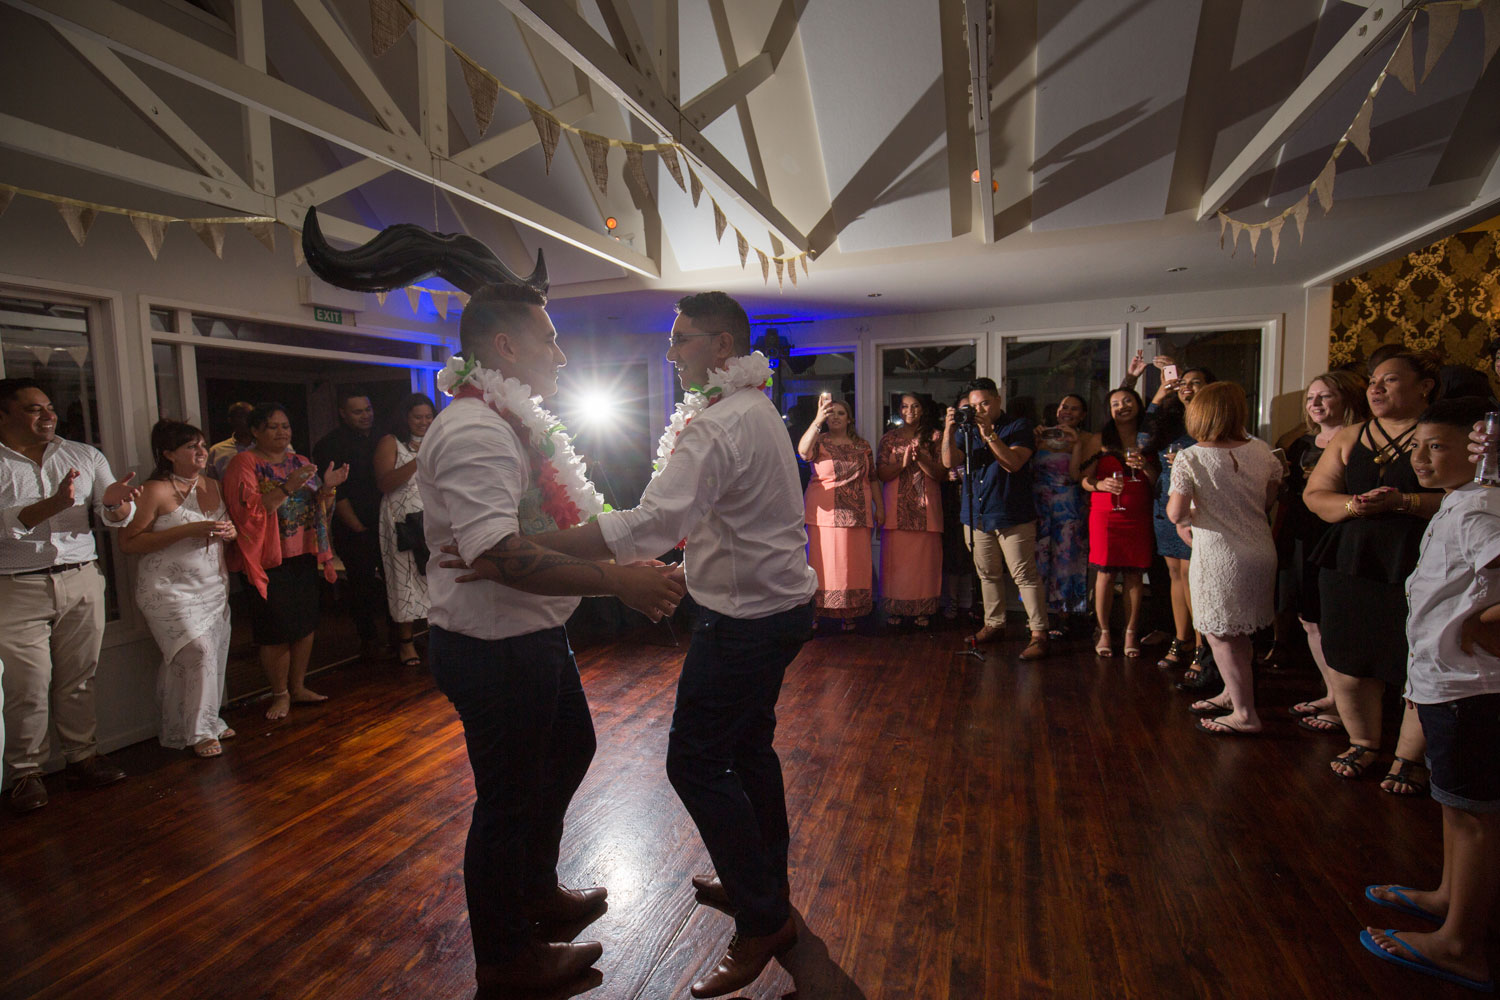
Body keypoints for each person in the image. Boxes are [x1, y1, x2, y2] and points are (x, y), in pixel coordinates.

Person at [301, 207, 687, 993]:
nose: (562, 352)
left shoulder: (515, 425)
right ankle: (506, 961)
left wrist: (621, 549)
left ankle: (535, 893)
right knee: (505, 804)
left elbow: (541, 534)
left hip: (533, 637)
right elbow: (503, 556)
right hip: (491, 648)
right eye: (550, 338)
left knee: (569, 751)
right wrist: (620, 580)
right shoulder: (476, 430)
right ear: (505, 347)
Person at [470, 291, 818, 998]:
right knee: (748, 747)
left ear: (723, 348)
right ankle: (762, 878)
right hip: (780, 608)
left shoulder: (718, 424)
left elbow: (651, 525)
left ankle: (763, 918)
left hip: (745, 618)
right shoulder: (754, 407)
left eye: (683, 339)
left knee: (695, 761)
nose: (670, 352)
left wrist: (536, 545)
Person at [1361, 396, 1500, 993]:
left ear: (1479, 448)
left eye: (1435, 446)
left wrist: (1481, 627)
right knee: (1455, 803)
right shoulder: (1461, 501)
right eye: (1415, 444)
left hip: (1470, 687)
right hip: (1449, 683)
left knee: (1472, 817)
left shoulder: (1480, 510)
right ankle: (1449, 896)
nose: (1417, 457)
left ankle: (1461, 944)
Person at [1303, 353, 1442, 790]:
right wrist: (1352, 504)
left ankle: (1408, 755)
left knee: (1417, 658)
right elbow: (1315, 494)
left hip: (1417, 559)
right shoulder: (1350, 436)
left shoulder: (1443, 434)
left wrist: (1403, 503)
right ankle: (1363, 739)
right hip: (1350, 559)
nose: (1376, 389)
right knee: (1347, 655)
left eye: (1390, 380)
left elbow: (1464, 497)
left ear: (1425, 387)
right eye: (1373, 382)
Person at [0, 378, 139, 813]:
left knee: (80, 675)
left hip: (80, 577)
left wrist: (117, 504)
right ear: (3, 415)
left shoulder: (82, 454)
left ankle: (82, 758)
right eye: (33, 409)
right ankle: (26, 774)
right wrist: (56, 503)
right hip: (15, 585)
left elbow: (113, 513)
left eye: (49, 407)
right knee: (28, 684)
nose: (48, 415)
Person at [1166, 383, 1283, 734]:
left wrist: (1191, 517)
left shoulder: (1191, 457)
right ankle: (1231, 694)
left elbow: (1175, 512)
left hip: (1221, 555)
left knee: (1219, 633)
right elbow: (1267, 500)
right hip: (1260, 550)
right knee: (1239, 634)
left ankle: (1246, 714)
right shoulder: (1263, 451)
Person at [223, 403, 348, 721]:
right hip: (267, 559)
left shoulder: (301, 461)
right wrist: (287, 486)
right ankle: (279, 694)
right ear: (254, 431)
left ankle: (298, 687)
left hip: (303, 552)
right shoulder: (244, 463)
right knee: (276, 630)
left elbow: (319, 507)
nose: (281, 432)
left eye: (286, 426)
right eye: (273, 426)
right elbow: (246, 513)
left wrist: (329, 487)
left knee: (305, 624)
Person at [119, 420, 237, 757]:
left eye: (202, 445)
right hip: (167, 589)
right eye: (191, 446)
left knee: (212, 654)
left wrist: (229, 534)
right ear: (168, 454)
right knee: (195, 651)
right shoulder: (154, 490)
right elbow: (128, 542)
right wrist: (188, 530)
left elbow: (228, 532)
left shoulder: (212, 484)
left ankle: (201, 722)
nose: (201, 451)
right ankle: (198, 732)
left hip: (212, 584)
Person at [1274, 371, 1369, 734]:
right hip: (1301, 534)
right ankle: (1332, 693)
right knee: (1308, 619)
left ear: (1346, 399)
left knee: (1337, 622)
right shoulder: (1300, 444)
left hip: (1339, 533)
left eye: (1324, 397)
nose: (1315, 404)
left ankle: (1350, 707)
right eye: (1311, 397)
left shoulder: (1362, 439)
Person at [941, 378, 1050, 659]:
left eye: (985, 403)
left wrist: (989, 434)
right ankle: (994, 624)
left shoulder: (1019, 426)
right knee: (986, 574)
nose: (980, 410)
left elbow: (1013, 463)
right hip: (976, 515)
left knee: (1024, 575)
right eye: (974, 405)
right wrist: (948, 429)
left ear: (998, 400)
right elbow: (948, 462)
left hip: (1012, 513)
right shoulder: (966, 431)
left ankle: (1038, 632)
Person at [1142, 360, 1216, 677]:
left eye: (1195, 382)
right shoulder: (1171, 424)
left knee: (1193, 576)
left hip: (1197, 508)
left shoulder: (1214, 423)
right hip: (1165, 502)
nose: (1187, 386)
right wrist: (1160, 391)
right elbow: (1143, 439)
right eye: (1183, 382)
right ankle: (1181, 638)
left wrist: (1189, 464)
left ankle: (1203, 645)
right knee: (1174, 573)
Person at [1075, 388, 1154, 658]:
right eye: (1115, 403)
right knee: (1105, 574)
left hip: (1139, 513)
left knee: (1134, 575)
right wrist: (1099, 484)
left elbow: (1158, 483)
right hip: (1106, 514)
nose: (1122, 407)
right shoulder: (1099, 439)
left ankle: (1131, 632)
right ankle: (1105, 630)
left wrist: (1145, 466)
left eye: (1127, 401)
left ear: (1138, 404)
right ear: (1109, 410)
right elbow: (1083, 480)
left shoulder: (1149, 439)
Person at [313, 390, 388, 661]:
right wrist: (356, 526)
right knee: (361, 585)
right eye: (358, 411)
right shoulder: (329, 445)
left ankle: (398, 635)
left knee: (394, 580)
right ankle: (367, 639)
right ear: (343, 414)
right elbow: (337, 492)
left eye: (367, 409)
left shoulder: (385, 437)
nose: (365, 415)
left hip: (389, 521)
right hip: (355, 526)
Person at [798, 396, 880, 630]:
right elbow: (803, 452)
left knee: (852, 567)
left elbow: (872, 478)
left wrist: (880, 508)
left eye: (841, 413)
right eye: (830, 412)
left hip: (857, 513)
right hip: (824, 514)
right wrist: (817, 420)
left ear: (849, 419)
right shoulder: (820, 442)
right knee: (821, 565)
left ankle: (850, 612)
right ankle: (816, 612)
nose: (835, 416)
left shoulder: (863, 446)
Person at [374, 393, 435, 666]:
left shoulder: (437, 441)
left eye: (428, 416)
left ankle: (439, 635)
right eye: (417, 417)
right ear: (405, 418)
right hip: (401, 521)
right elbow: (385, 483)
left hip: (431, 519)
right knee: (404, 580)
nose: (423, 422)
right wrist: (417, 460)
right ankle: (406, 643)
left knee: (434, 579)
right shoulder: (391, 442)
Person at [876, 393, 943, 627]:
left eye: (915, 406)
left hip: (926, 508)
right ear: (899, 411)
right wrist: (902, 463)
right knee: (896, 563)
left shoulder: (935, 436)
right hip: (895, 509)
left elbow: (942, 474)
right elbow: (881, 474)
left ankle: (922, 609)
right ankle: (895, 608)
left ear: (923, 409)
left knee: (924, 564)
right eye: (904, 407)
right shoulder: (889, 439)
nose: (910, 411)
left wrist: (922, 460)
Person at [1032, 394, 1089, 635]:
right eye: (1064, 406)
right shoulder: (1043, 434)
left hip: (1068, 507)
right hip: (1040, 505)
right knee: (1039, 559)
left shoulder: (1086, 439)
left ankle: (1065, 616)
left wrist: (1076, 444)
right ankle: (1037, 616)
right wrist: (1035, 442)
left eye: (1075, 409)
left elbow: (1077, 476)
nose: (1068, 412)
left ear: (1083, 415)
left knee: (1066, 559)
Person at [207, 401, 254, 480]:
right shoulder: (217, 451)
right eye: (240, 416)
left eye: (249, 417)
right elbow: (211, 484)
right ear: (230, 420)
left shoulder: (266, 447)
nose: (245, 421)